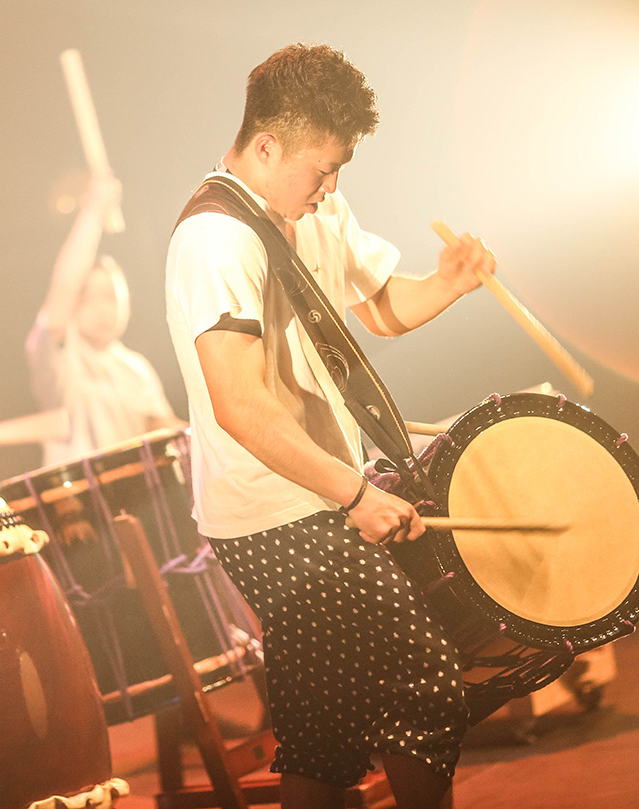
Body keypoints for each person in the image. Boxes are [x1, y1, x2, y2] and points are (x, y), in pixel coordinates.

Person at [164, 43, 496, 809]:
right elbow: (239, 404)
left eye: (339, 168)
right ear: (266, 146)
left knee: (325, 729)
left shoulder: (314, 208)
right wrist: (355, 494)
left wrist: (446, 283)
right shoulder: (214, 240)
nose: (331, 187)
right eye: (321, 169)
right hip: (270, 511)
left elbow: (380, 309)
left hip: (318, 492)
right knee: (426, 687)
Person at [26, 173, 182, 466]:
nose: (101, 309)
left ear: (128, 303)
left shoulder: (136, 368)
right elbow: (64, 290)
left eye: (110, 297)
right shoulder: (61, 359)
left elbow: (164, 429)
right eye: (88, 298)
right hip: (78, 491)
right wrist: (93, 212)